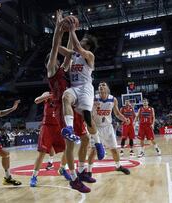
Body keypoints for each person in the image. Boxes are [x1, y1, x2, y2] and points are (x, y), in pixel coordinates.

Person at [57, 16, 101, 193]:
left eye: (83, 41)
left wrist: (72, 30)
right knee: (66, 97)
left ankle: (98, 142)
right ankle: (68, 128)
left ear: (87, 45)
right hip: (75, 88)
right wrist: (59, 30)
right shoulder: (73, 54)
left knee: (88, 117)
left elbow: (76, 47)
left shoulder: (89, 55)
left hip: (86, 88)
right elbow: (58, 48)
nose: (79, 42)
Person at [87, 82, 131, 176]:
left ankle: (118, 166)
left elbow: (117, 113)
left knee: (114, 149)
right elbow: (88, 114)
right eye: (99, 85)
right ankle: (89, 171)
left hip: (108, 127)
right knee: (93, 151)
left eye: (103, 85)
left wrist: (125, 119)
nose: (101, 86)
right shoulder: (93, 99)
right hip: (96, 128)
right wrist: (90, 126)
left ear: (107, 88)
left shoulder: (113, 99)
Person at [29, 92, 67, 187]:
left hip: (59, 126)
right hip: (47, 127)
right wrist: (51, 95)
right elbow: (37, 100)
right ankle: (34, 176)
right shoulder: (48, 94)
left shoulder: (64, 94)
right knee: (42, 152)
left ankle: (62, 169)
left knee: (68, 150)